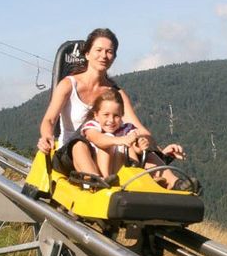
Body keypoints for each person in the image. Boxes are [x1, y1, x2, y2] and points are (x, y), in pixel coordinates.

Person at [36, 28, 189, 188]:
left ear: (114, 57)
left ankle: (176, 184)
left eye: (109, 52)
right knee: (80, 144)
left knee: (136, 148)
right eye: (99, 50)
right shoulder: (69, 85)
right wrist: (46, 136)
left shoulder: (116, 94)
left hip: (108, 152)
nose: (103, 56)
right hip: (73, 152)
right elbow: (49, 119)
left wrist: (157, 150)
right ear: (87, 54)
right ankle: (95, 181)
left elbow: (138, 129)